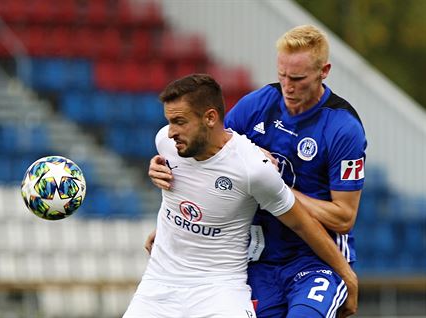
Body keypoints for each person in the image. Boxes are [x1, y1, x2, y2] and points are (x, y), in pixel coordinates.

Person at [147, 25, 366, 318]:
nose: (287, 86)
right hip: (259, 259)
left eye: (298, 78)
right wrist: (161, 173)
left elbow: (343, 217)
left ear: (323, 71)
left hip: (316, 261)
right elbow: (210, 156)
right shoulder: (258, 104)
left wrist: (277, 190)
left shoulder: (343, 128)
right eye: (282, 75)